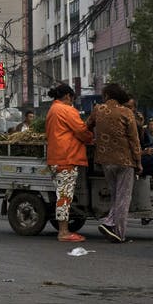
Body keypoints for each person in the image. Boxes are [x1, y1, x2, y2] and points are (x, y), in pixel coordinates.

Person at [86, 83, 141, 243]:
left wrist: (94, 140)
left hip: (105, 161)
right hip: (124, 161)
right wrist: (138, 162)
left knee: (115, 195)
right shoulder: (127, 113)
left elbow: (86, 127)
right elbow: (134, 140)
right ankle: (118, 231)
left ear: (108, 95)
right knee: (123, 197)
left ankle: (110, 223)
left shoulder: (98, 110)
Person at [45, 83, 93, 243]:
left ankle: (64, 230)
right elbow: (81, 131)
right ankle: (63, 232)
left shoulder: (53, 109)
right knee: (65, 195)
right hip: (67, 157)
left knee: (62, 194)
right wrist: (92, 138)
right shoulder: (66, 110)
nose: (73, 102)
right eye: (72, 99)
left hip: (56, 157)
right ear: (67, 97)